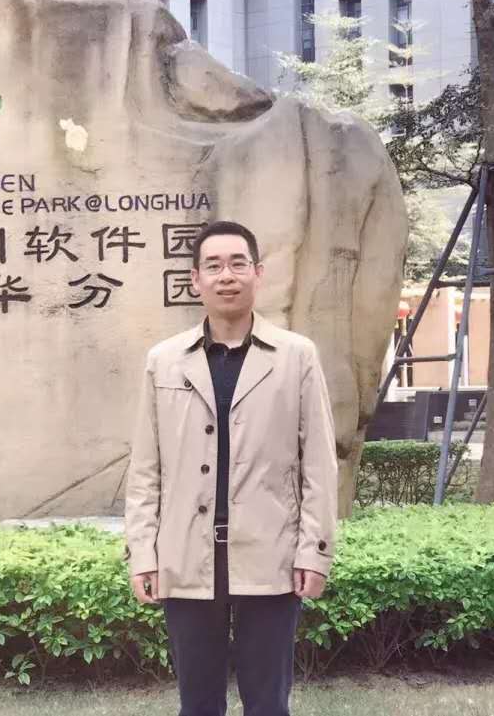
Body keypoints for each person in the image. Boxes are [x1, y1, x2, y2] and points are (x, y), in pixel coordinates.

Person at [124, 220, 338, 716]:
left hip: (271, 554)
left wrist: (314, 553)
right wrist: (143, 553)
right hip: (185, 555)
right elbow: (146, 470)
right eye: (214, 266)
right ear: (195, 279)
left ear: (257, 273)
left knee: (268, 704)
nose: (227, 276)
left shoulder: (296, 356)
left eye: (238, 264)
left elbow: (319, 466)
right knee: (198, 705)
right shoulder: (164, 361)